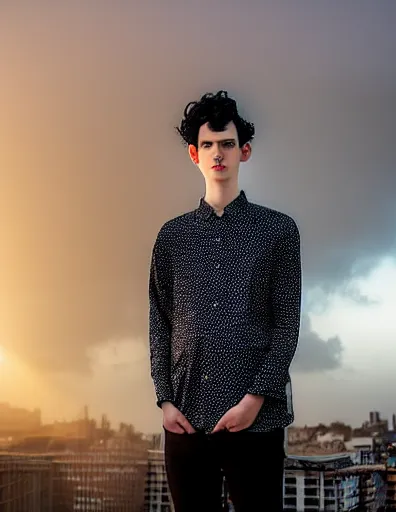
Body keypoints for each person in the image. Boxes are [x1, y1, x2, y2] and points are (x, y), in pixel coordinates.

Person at [148, 90, 302, 512]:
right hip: (185, 422)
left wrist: (254, 401)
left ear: (244, 152)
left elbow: (286, 324)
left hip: (256, 423)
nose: (219, 153)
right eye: (210, 145)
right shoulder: (172, 237)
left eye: (228, 144)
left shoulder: (278, 231)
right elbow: (159, 322)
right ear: (194, 155)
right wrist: (164, 399)